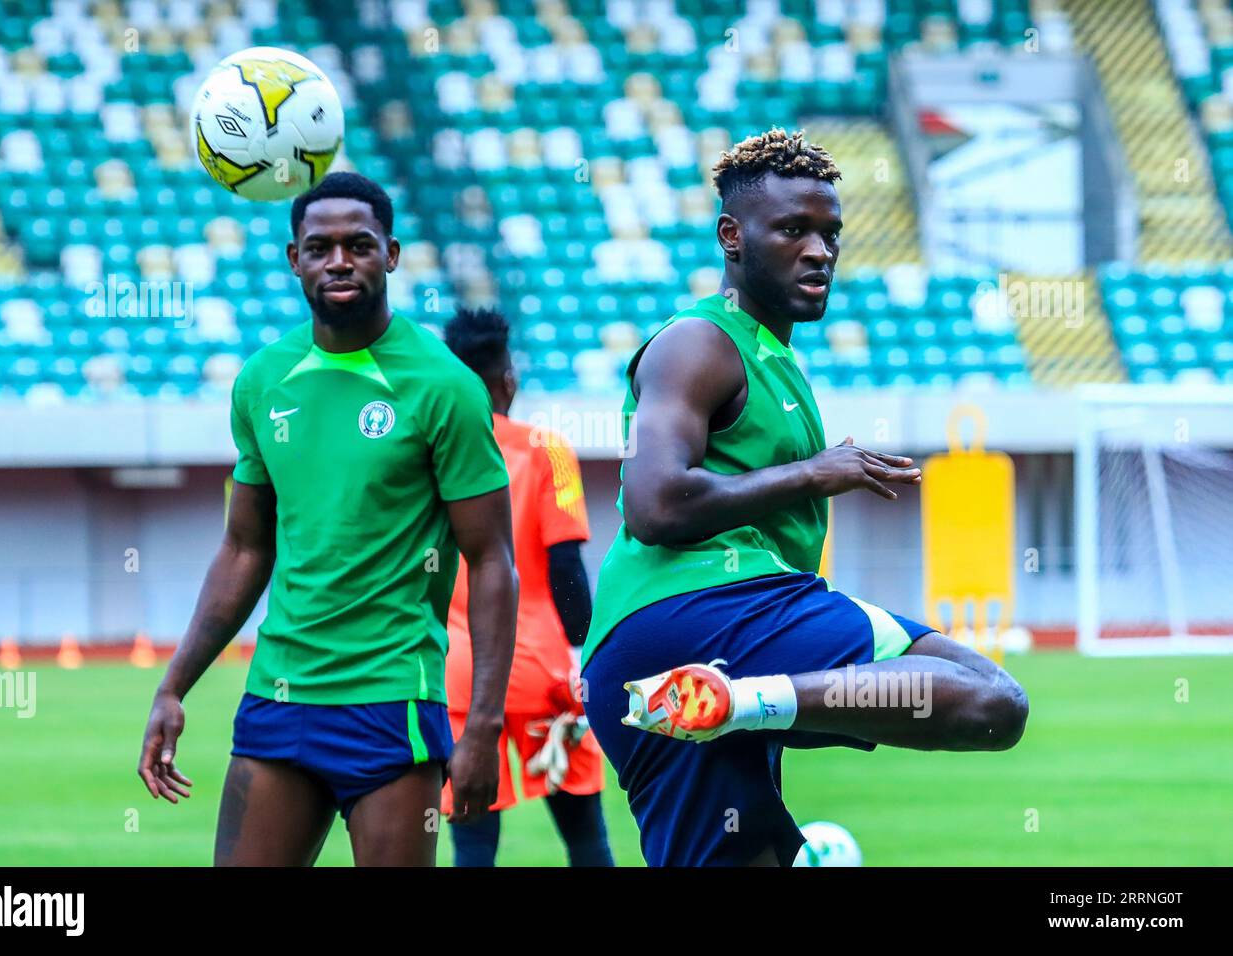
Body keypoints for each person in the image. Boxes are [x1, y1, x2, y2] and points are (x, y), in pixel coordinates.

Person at [580, 129, 1029, 867]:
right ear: (732, 236)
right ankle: (744, 702)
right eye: (793, 229)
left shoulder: (768, 356)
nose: (820, 251)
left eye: (830, 233)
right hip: (710, 610)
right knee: (991, 698)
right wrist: (815, 473)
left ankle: (731, 708)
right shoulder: (700, 341)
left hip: (638, 673)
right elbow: (654, 504)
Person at [136, 172, 518, 866]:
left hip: (393, 705)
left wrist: (485, 725)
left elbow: (492, 560)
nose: (338, 261)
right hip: (279, 699)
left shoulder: (445, 388)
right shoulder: (262, 381)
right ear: (294, 259)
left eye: (358, 245)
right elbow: (245, 549)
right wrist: (173, 685)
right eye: (319, 247)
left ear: (392, 255)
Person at [439, 306, 613, 867]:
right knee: (585, 836)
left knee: (472, 841)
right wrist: (582, 654)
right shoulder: (545, 448)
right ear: (507, 380)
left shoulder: (430, 454)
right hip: (540, 666)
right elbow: (565, 567)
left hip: (460, 674)